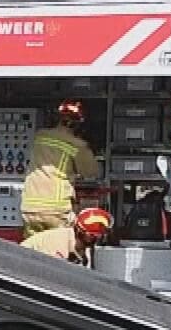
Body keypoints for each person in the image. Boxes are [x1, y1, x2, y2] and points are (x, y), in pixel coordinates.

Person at [21, 101, 101, 236]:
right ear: (78, 125)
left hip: (30, 206)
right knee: (59, 249)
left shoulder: (40, 136)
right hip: (56, 208)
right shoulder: (77, 145)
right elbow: (91, 172)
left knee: (32, 248)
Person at [22, 206, 113, 266]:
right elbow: (56, 276)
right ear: (89, 237)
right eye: (100, 236)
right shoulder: (60, 246)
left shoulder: (74, 241)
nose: (102, 240)